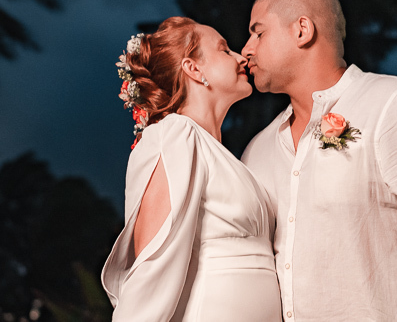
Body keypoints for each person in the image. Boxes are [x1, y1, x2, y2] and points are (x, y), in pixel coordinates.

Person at [241, 0, 397, 322]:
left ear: (302, 30)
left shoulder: (392, 104)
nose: (246, 49)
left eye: (258, 33)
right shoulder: (258, 149)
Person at [101, 16, 282, 321]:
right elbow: (152, 259)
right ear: (193, 69)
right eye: (225, 50)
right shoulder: (174, 134)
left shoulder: (224, 155)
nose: (240, 57)